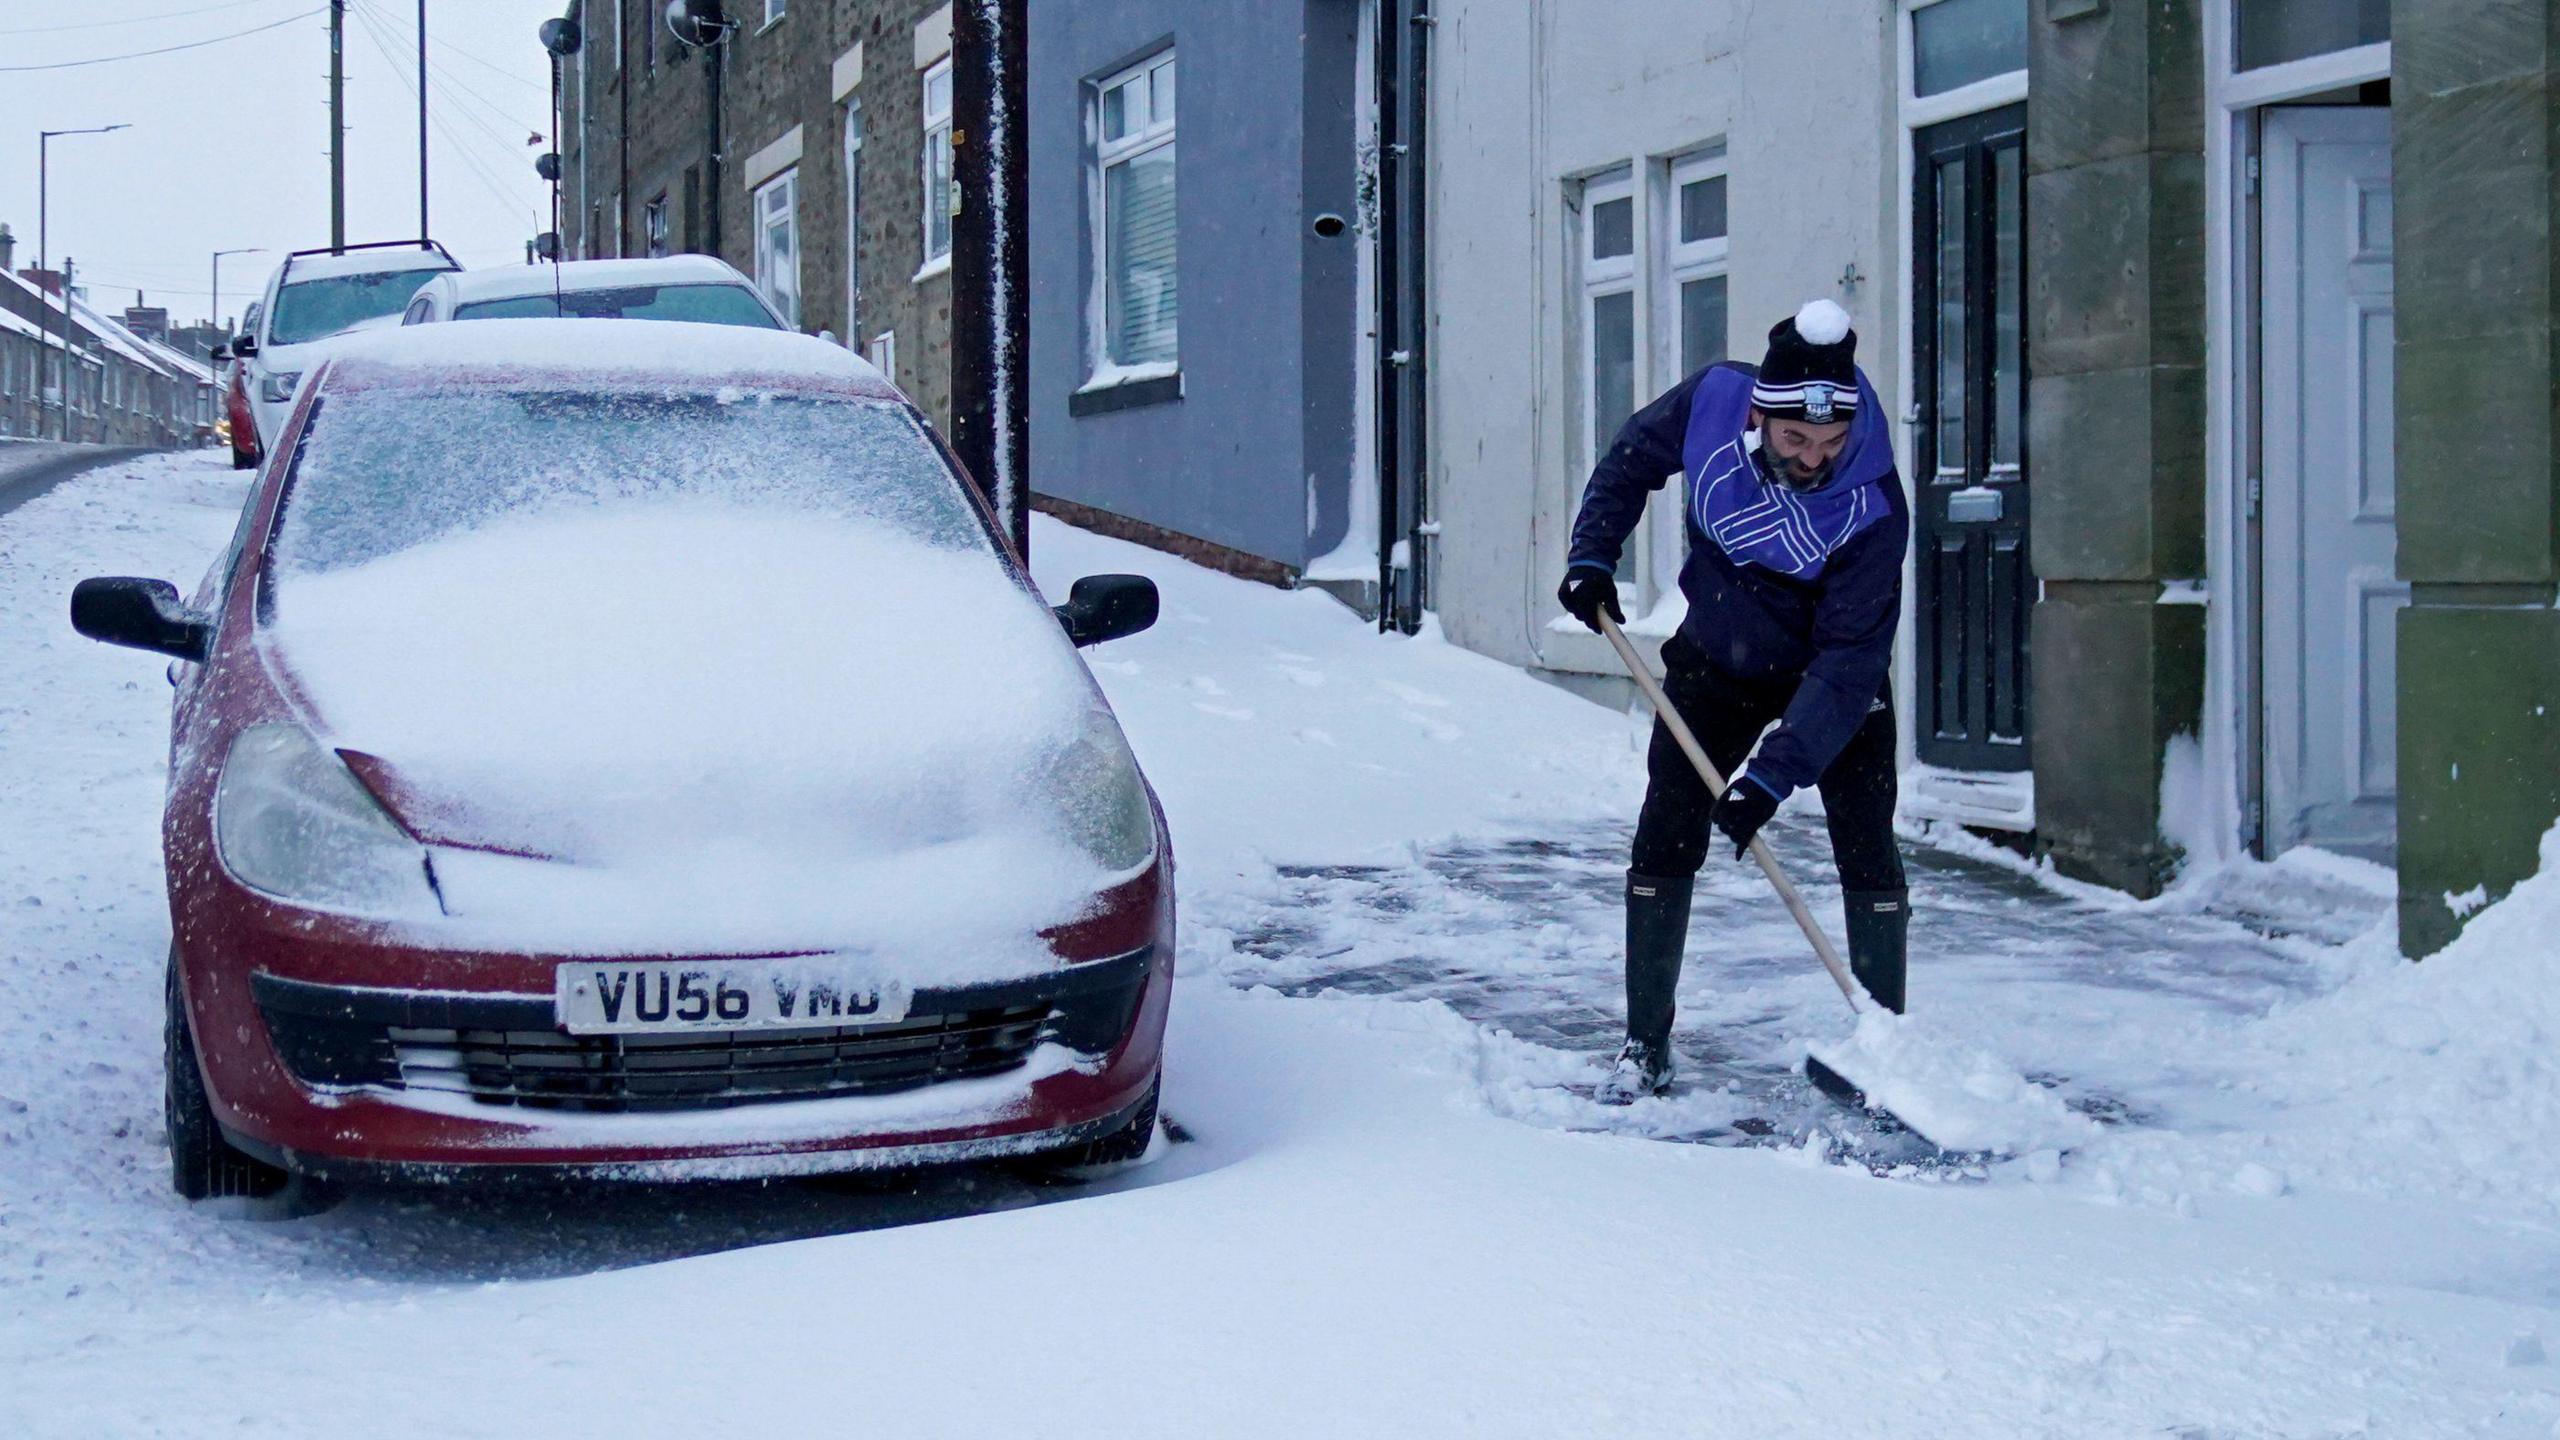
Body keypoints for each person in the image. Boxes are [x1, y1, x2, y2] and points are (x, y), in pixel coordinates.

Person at [1557, 299, 1911, 1104]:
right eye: (1796, 439)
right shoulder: (1713, 400)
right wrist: (1591, 555)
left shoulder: (1874, 501)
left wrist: (1772, 777)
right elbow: (1628, 461)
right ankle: (1644, 1042)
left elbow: (1851, 662)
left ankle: (1886, 1046)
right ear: (1759, 414)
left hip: (1829, 676)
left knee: (1864, 834)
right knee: (1667, 831)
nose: (1816, 457)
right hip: (1717, 659)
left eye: (1830, 441)